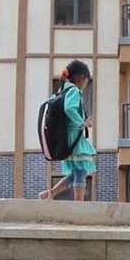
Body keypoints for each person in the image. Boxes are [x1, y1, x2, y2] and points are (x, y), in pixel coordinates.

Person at [39, 60, 96, 201]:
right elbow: (69, 108)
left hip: (66, 138)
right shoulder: (74, 91)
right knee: (81, 171)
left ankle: (50, 193)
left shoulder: (61, 91)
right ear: (82, 77)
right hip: (74, 137)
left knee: (76, 172)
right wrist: (82, 122)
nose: (85, 85)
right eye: (87, 81)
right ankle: (78, 205)